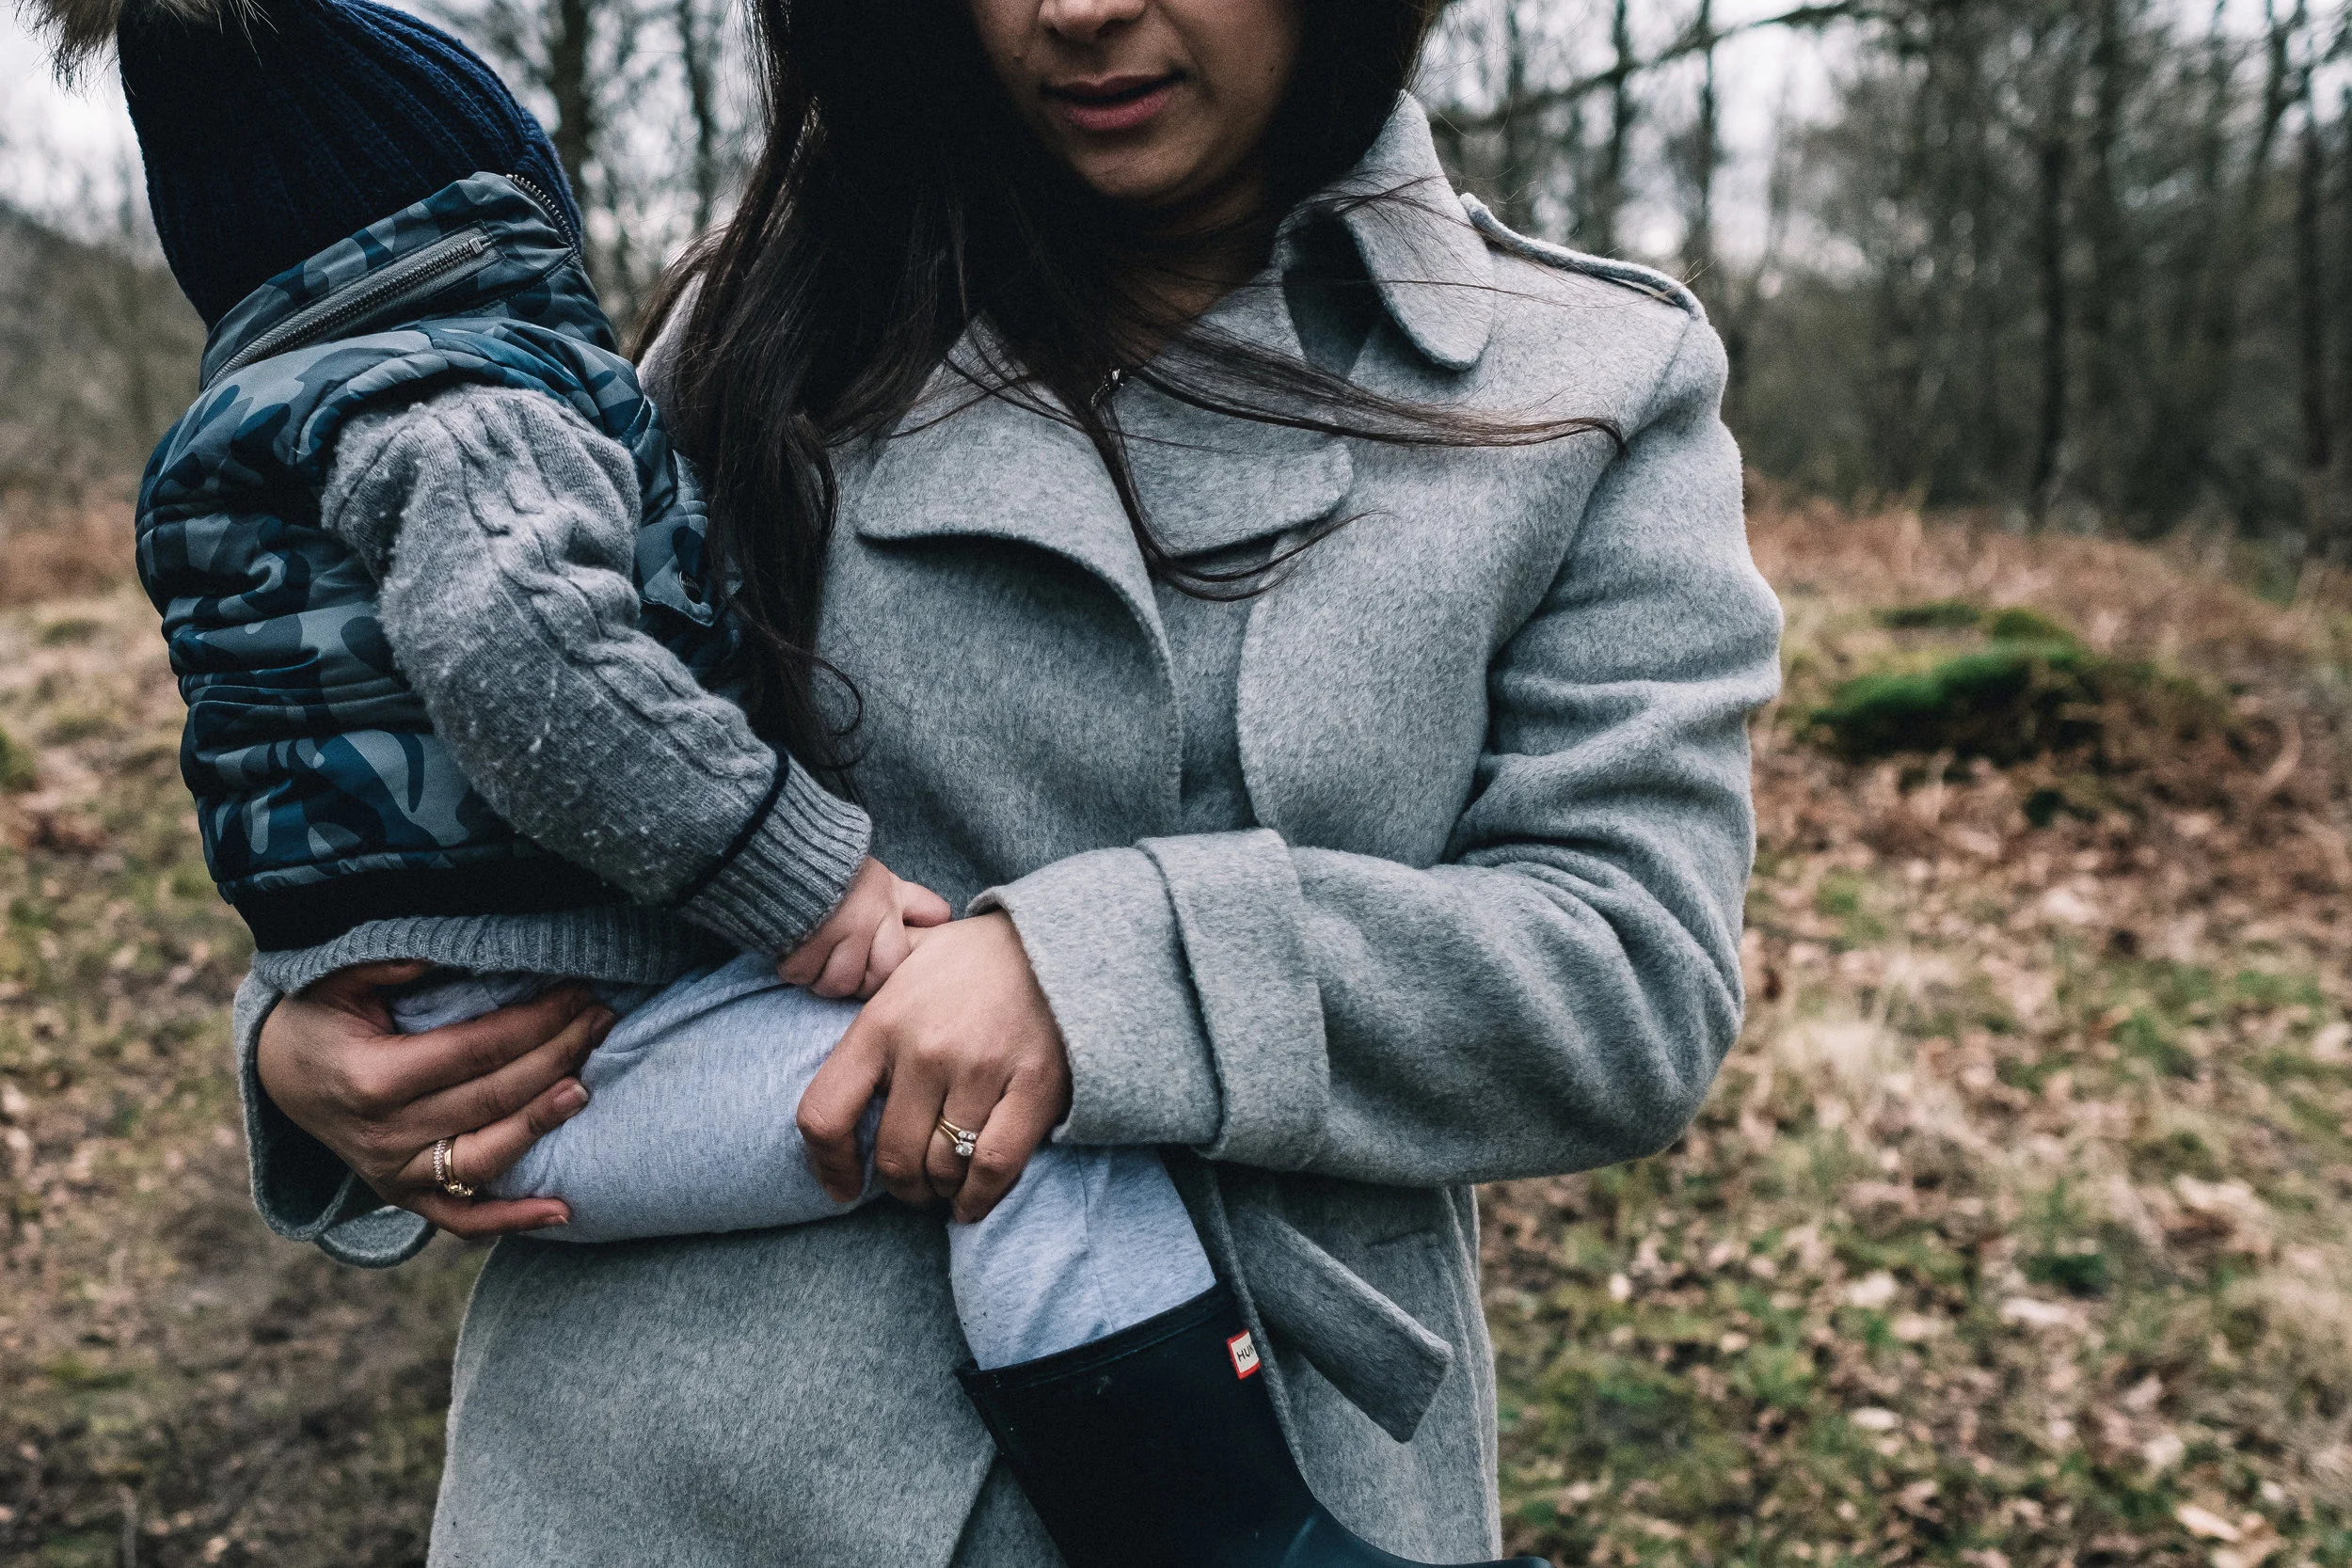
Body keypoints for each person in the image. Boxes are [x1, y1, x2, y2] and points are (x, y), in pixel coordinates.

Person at [214, 0, 1785, 1563]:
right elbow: (485, 723)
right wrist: (311, 1044)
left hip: (1264, 1463)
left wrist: (1096, 974)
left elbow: (1627, 974)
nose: (1076, 9)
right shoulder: (770, 320)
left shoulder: (1584, 380)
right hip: (669, 1468)